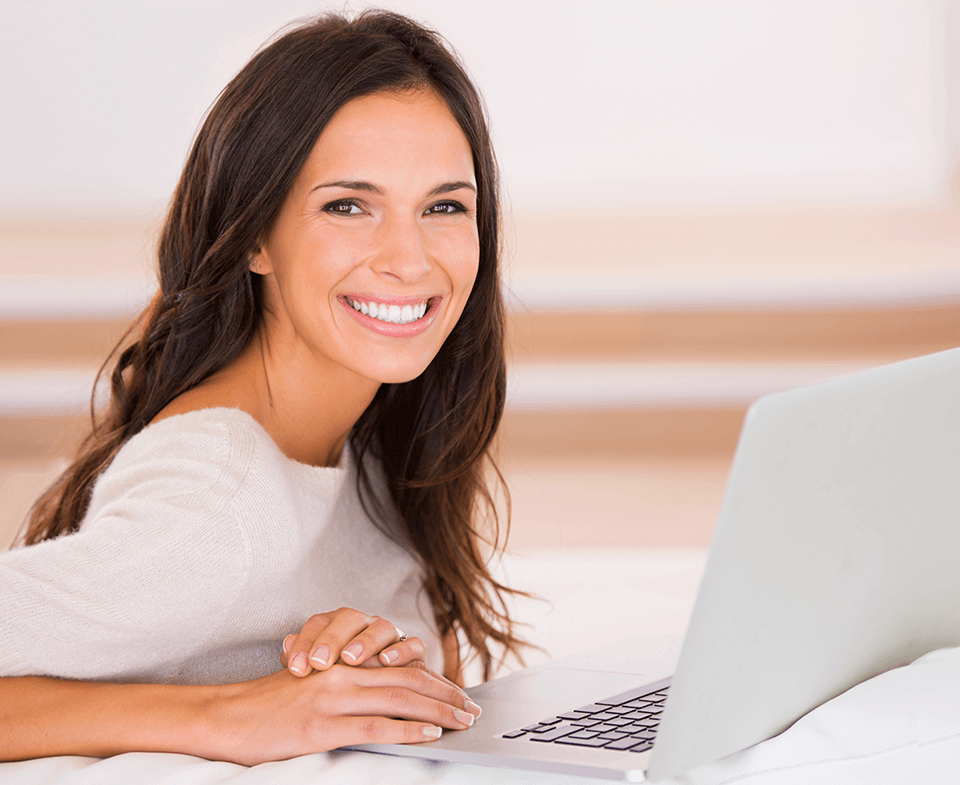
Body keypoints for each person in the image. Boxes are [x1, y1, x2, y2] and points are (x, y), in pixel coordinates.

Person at [0, 9, 527, 764]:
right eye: (348, 205)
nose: (409, 259)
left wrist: (379, 665)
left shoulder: (373, 434)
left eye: (444, 206)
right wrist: (226, 715)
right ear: (254, 234)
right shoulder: (219, 503)